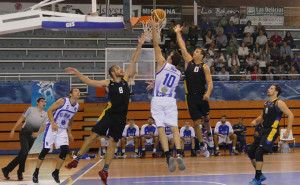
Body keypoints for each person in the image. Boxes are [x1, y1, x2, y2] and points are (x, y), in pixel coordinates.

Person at [64, 34, 146, 185]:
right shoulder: (108, 83)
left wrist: (140, 44)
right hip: (110, 113)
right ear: (113, 73)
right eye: (118, 68)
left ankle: (105, 170)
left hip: (121, 117)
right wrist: (76, 72)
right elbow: (89, 81)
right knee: (94, 135)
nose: (121, 69)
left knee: (113, 142)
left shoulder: (126, 78)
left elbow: (134, 59)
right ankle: (77, 159)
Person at [147, 19, 185, 172]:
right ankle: (180, 154)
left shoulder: (162, 63)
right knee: (175, 128)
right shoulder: (178, 73)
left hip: (158, 100)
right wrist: (156, 83)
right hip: (170, 100)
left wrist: (155, 28)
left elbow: (156, 45)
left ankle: (168, 155)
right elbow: (165, 85)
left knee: (161, 128)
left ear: (169, 58)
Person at [174, 24, 214, 158]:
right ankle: (202, 145)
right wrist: (178, 33)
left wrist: (208, 93)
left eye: (197, 51)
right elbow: (182, 46)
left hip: (202, 95)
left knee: (206, 118)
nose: (194, 52)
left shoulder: (205, 67)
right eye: (195, 51)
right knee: (196, 123)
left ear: (202, 55)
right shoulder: (188, 62)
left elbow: (210, 82)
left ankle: (209, 134)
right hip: (190, 97)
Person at [247, 84, 294, 185]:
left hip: (272, 131)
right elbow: (262, 116)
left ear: (276, 92)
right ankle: (260, 174)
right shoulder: (266, 103)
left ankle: (257, 178)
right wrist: (255, 121)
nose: (269, 89)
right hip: (264, 130)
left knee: (259, 151)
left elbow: (291, 115)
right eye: (269, 88)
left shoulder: (279, 103)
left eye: (271, 88)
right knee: (250, 151)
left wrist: (288, 130)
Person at [32, 89, 80, 183]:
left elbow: (71, 120)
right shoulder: (63, 101)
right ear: (70, 94)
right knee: (45, 150)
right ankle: (36, 172)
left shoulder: (76, 106)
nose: (78, 93)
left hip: (62, 130)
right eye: (76, 91)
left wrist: (69, 132)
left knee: (65, 150)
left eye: (79, 92)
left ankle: (56, 172)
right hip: (52, 126)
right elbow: (49, 110)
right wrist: (53, 123)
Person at [2, 98, 47, 180]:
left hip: (33, 136)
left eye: (45, 102)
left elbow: (44, 127)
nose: (44, 103)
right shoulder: (30, 109)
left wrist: (37, 133)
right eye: (42, 101)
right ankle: (20, 171)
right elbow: (21, 118)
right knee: (25, 152)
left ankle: (6, 169)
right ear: (37, 103)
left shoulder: (45, 114)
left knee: (22, 154)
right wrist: (13, 129)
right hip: (24, 133)